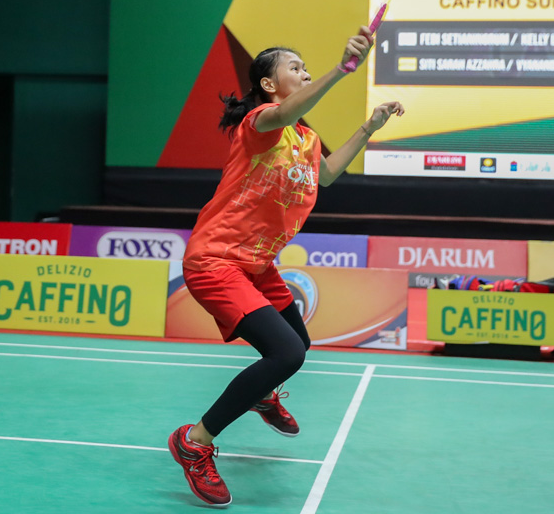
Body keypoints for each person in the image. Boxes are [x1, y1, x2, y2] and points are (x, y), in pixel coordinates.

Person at [167, 29, 404, 507]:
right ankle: (194, 442)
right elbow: (284, 114)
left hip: (257, 264)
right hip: (217, 260)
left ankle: (261, 394)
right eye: (295, 68)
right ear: (269, 84)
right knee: (287, 353)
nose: (304, 72)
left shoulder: (305, 139)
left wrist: (368, 128)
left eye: (306, 68)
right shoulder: (259, 124)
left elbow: (327, 176)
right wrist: (342, 70)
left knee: (299, 342)